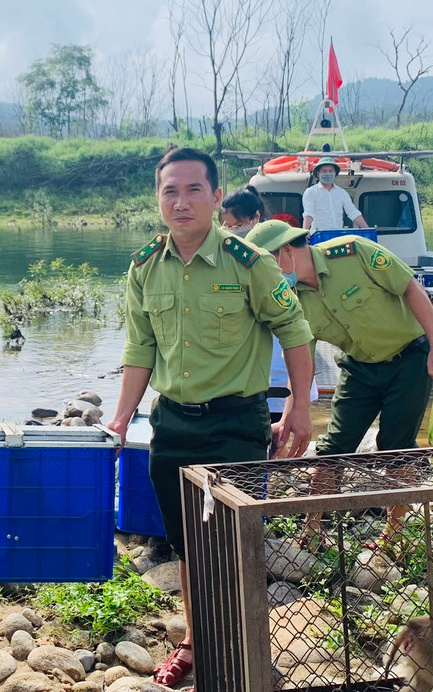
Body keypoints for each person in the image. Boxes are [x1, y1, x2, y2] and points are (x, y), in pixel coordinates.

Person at [105, 147, 315, 687]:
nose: (181, 202)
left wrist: (299, 407)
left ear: (217, 197)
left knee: (234, 546)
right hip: (173, 426)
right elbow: (139, 349)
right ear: (158, 199)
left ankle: (245, 648)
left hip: (236, 426)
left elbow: (295, 333)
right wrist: (120, 420)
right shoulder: (145, 267)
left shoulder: (251, 263)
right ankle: (197, 643)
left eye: (193, 189)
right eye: (169, 191)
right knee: (191, 550)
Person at [245, 219, 433, 545]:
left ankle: (392, 535)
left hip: (410, 359)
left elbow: (411, 288)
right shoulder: (291, 298)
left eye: (265, 263)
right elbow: (302, 362)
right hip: (359, 368)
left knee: (396, 449)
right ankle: (312, 527)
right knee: (332, 448)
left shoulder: (353, 252)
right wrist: (294, 412)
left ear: (286, 250)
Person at [220, 188, 319, 425]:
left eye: (237, 224)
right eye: (226, 225)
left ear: (255, 218)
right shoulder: (224, 255)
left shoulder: (270, 244)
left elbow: (295, 335)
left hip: (278, 372)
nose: (231, 230)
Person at [301, 157, 368, 232]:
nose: (328, 173)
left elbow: (353, 212)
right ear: (318, 173)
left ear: (335, 173)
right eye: (324, 171)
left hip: (338, 236)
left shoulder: (342, 193)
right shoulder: (311, 192)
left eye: (330, 171)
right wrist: (304, 233)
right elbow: (309, 214)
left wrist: (367, 229)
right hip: (319, 235)